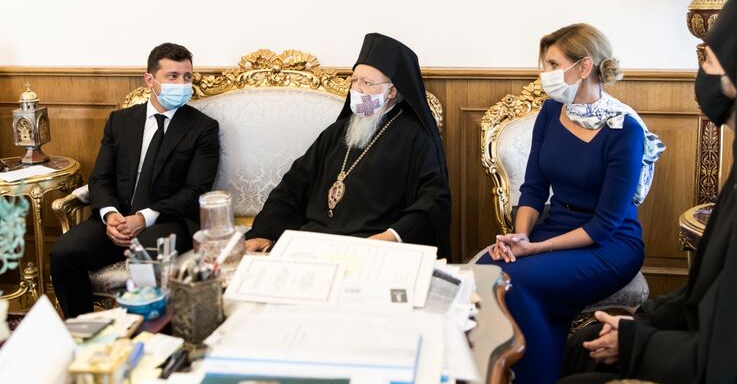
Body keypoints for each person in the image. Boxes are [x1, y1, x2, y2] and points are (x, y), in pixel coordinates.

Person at [551, 0, 737, 384]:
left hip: (713, 370)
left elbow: (730, 357)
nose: (701, 73)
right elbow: (701, 295)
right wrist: (639, 322)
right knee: (583, 344)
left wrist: (633, 341)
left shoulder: (622, 126)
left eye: (710, 61)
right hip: (696, 345)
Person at [475, 23, 665, 384]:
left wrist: (535, 248)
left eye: (552, 64)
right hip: (555, 225)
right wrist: (521, 235)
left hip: (610, 244)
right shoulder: (551, 112)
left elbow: (605, 225)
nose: (544, 73)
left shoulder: (624, 128)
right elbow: (533, 189)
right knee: (484, 270)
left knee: (515, 282)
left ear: (583, 66)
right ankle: (526, 379)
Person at [244, 33, 451, 258]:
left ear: (391, 91)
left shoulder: (416, 138)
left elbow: (433, 201)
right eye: (354, 80)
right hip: (312, 244)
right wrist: (265, 233)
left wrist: (389, 238)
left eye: (367, 83)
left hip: (370, 248)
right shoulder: (336, 133)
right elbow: (292, 187)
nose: (357, 90)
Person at [51, 43, 220, 318]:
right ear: (150, 80)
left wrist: (143, 218)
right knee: (64, 252)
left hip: (168, 220)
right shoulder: (119, 121)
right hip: (117, 217)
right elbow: (100, 177)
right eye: (173, 76)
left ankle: (146, 332)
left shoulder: (203, 128)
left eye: (187, 77)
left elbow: (195, 191)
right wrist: (110, 215)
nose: (182, 84)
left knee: (146, 255)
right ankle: (82, 329)